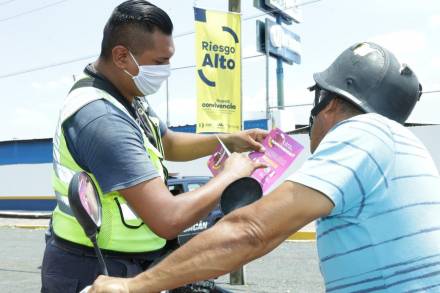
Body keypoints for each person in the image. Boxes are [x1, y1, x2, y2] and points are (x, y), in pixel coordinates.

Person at [89, 42, 440, 293]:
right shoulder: (403, 145)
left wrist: (134, 286)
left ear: (329, 103)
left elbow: (252, 231)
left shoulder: (360, 133)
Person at [41, 1, 268, 292]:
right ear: (122, 56)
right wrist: (231, 176)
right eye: (159, 62)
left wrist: (228, 139)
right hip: (96, 269)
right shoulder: (102, 118)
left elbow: (168, 142)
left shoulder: (127, 94)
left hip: (132, 261)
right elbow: (168, 219)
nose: (167, 70)